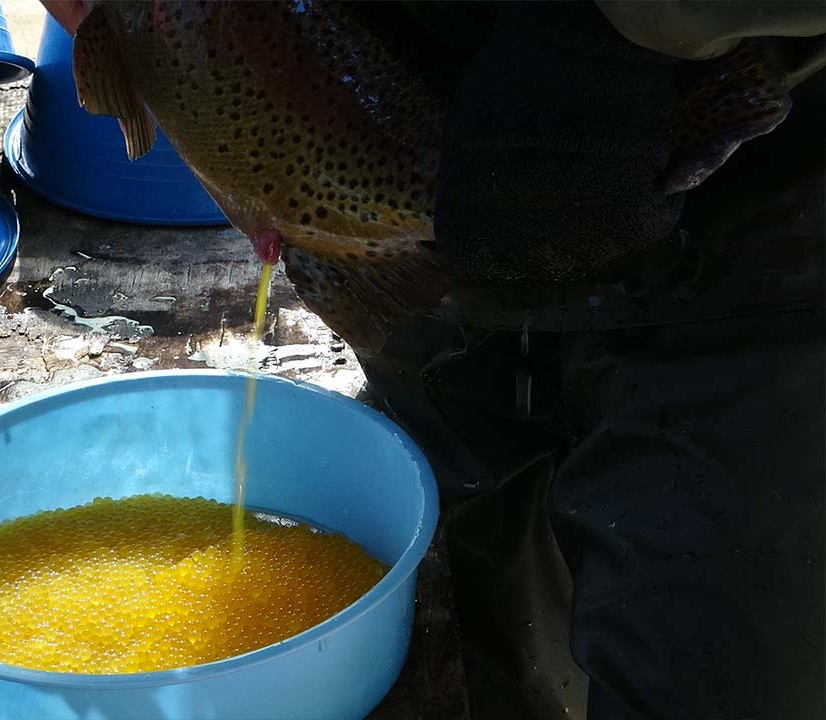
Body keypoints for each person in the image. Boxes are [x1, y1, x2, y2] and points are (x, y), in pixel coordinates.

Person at [41, 2, 825, 718]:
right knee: (476, 629)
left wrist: (612, 37)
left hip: (753, 215)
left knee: (720, 656)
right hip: (427, 186)